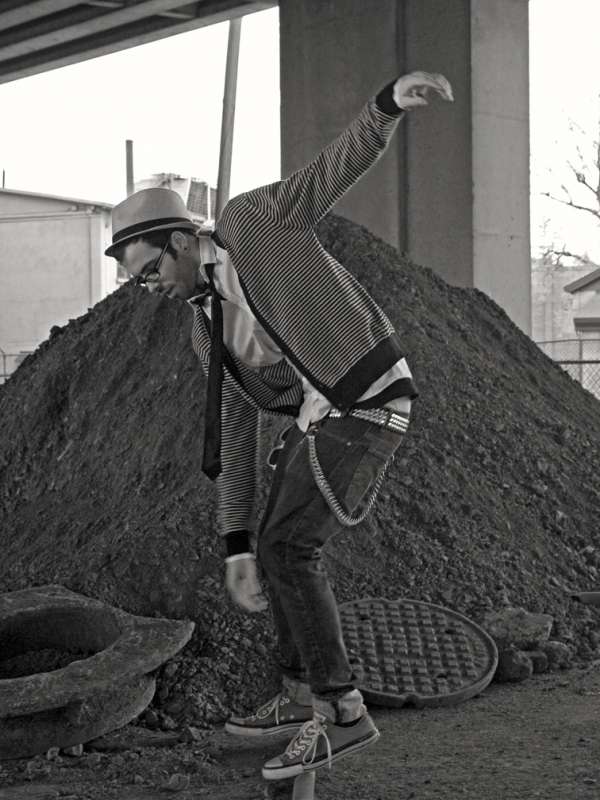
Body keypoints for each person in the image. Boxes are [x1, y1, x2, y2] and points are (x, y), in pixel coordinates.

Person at [106, 70, 453, 781]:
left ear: (177, 242)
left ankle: (343, 712)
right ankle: (299, 697)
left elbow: (332, 170)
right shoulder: (207, 330)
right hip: (316, 416)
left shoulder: (252, 225)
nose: (149, 290)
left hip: (369, 396)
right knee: (271, 544)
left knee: (292, 547)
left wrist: (386, 104)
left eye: (147, 273)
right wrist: (234, 545)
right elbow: (234, 437)